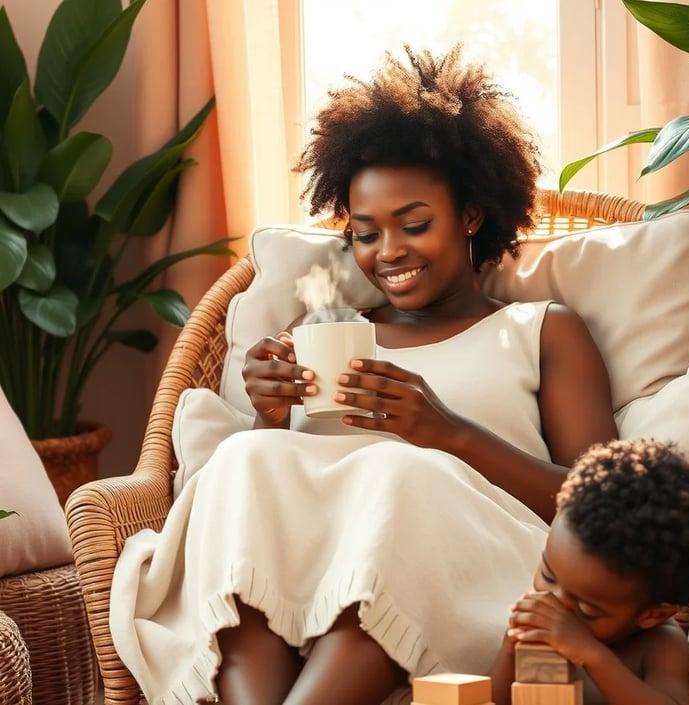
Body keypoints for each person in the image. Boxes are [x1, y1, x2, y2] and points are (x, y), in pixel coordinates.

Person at [109, 45, 617, 705]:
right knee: (244, 459)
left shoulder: (543, 331)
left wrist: (448, 433)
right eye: (366, 233)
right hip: (308, 577)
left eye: (413, 224)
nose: (389, 253)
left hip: (467, 565)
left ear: (470, 214)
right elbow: (281, 501)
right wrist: (268, 414)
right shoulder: (326, 332)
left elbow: (601, 515)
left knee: (400, 474)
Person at [490, 438, 689, 705]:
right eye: (547, 575)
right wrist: (509, 650)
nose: (555, 603)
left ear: (653, 614)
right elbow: (496, 700)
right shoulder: (540, 635)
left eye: (586, 609)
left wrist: (590, 654)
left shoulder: (660, 646)